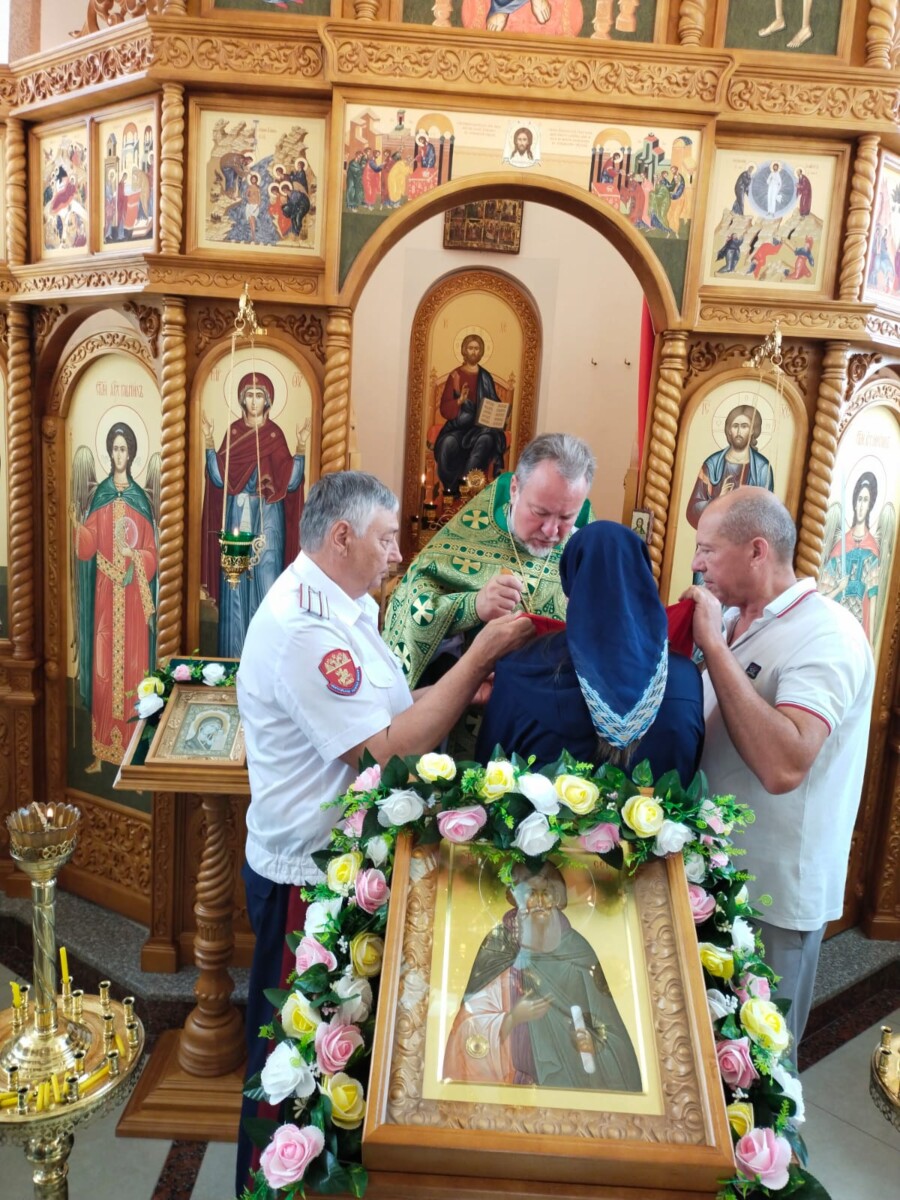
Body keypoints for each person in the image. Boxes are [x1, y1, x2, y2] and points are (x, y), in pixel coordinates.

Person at [235, 470, 534, 1195]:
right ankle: (263, 1185)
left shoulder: (344, 604)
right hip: (306, 871)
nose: (398, 554)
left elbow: (389, 708)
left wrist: (457, 688)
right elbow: (386, 750)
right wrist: (477, 656)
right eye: (384, 538)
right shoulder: (305, 629)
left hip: (340, 859)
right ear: (341, 537)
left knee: (328, 1054)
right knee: (291, 1060)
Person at [685, 488, 874, 1048]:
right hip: (714, 874)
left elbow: (784, 764)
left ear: (757, 551)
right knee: (703, 1053)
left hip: (773, 896)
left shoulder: (828, 633)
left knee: (760, 1069)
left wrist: (713, 653)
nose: (696, 563)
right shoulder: (735, 621)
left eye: (707, 550)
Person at [476, 522, 704, 785]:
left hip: (537, 826)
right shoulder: (686, 678)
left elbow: (488, 773)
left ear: (570, 587)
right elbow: (690, 774)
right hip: (658, 826)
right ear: (643, 579)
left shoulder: (520, 667)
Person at [383, 433, 594, 689]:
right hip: (472, 710)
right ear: (515, 489)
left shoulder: (586, 555)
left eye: (565, 517)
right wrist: (472, 606)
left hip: (551, 712)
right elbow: (410, 604)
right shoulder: (465, 541)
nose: (551, 530)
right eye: (540, 512)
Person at [443, 861, 642, 1092]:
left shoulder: (577, 951)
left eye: (546, 894)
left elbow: (610, 1030)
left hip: (568, 1085)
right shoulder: (499, 945)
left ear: (557, 899)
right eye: (530, 894)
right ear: (516, 898)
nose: (538, 902)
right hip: (507, 1084)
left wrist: (595, 1043)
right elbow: (468, 1021)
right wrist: (511, 1019)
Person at [200, 371, 309, 657]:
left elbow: (291, 481)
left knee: (267, 582)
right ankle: (234, 658)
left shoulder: (274, 436)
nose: (254, 400)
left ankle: (266, 658)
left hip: (268, 519)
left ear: (268, 400)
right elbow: (219, 479)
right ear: (241, 399)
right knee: (234, 587)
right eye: (249, 394)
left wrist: (300, 446)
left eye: (259, 395)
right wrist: (210, 441)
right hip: (237, 516)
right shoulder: (234, 433)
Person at [73, 423, 157, 772]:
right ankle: (100, 753)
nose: (119, 454)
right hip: (107, 595)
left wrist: (134, 557)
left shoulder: (139, 500)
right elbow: (87, 547)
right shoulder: (101, 497)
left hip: (134, 598)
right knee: (104, 669)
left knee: (135, 670)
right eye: (115, 448)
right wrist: (77, 527)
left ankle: (134, 759)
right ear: (109, 452)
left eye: (124, 448)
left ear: (131, 453)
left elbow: (152, 552)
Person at [433, 333, 508, 495]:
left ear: (481, 352)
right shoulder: (455, 376)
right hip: (457, 428)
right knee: (447, 444)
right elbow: (445, 409)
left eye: (477, 348)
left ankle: (467, 489)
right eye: (470, 348)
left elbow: (493, 402)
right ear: (464, 350)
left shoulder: (485, 377)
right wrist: (459, 401)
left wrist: (499, 413)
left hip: (480, 428)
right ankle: (451, 489)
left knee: (486, 440)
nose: (474, 352)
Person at [685, 404, 775, 530]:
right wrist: (718, 501)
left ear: (752, 430)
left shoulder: (762, 469)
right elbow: (692, 511)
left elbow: (767, 515)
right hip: (713, 541)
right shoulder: (712, 464)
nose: (739, 432)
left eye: (744, 426)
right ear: (728, 430)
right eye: (735, 426)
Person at [817, 471, 881, 641]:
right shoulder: (840, 547)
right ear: (854, 503)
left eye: (865, 500)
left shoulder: (872, 549)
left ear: (870, 505)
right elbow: (821, 597)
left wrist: (871, 643)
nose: (861, 505)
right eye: (859, 499)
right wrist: (839, 588)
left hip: (857, 630)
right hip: (835, 628)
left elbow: (873, 598)